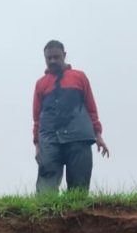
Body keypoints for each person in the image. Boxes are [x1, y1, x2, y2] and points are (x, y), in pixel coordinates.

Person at [33, 40, 109, 193]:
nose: (53, 61)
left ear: (64, 56)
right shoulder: (41, 84)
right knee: (46, 188)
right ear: (45, 58)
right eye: (49, 58)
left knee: (79, 186)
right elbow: (37, 117)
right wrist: (37, 144)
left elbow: (91, 108)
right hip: (50, 139)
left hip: (79, 136)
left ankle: (78, 216)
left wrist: (98, 135)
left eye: (56, 57)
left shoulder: (79, 77)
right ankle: (46, 216)